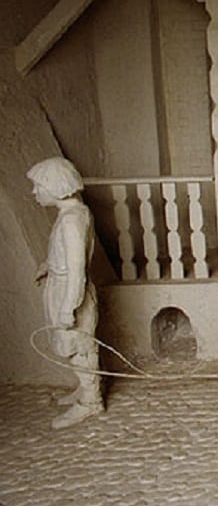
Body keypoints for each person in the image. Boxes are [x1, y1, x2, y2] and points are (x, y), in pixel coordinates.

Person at [28, 157, 104, 429]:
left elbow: (77, 268)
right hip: (60, 286)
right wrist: (49, 265)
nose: (34, 192)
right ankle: (85, 388)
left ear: (55, 186)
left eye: (38, 186)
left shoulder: (73, 220)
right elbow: (66, 256)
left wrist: (68, 307)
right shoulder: (71, 214)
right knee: (69, 345)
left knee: (79, 345)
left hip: (71, 292)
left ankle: (91, 400)